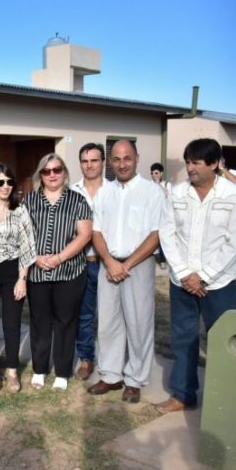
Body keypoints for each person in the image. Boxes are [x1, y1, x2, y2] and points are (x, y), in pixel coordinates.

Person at [156, 138, 236, 413]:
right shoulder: (178, 193)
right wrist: (184, 273)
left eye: (196, 162)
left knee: (224, 342)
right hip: (182, 283)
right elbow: (167, 234)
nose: (189, 168)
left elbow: (233, 242)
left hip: (221, 283)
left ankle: (223, 399)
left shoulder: (231, 194)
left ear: (215, 164)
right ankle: (182, 394)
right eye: (187, 161)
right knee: (183, 338)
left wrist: (204, 276)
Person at [88, 140, 165, 403]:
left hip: (138, 266)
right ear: (111, 161)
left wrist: (126, 264)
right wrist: (109, 261)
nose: (122, 164)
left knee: (139, 324)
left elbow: (156, 235)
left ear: (137, 158)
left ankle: (134, 379)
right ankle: (111, 375)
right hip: (108, 265)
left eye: (127, 158)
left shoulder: (151, 192)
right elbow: (96, 232)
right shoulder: (104, 193)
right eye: (117, 159)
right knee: (108, 323)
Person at [23, 153, 92, 391]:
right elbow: (23, 234)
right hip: (38, 272)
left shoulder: (78, 200)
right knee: (40, 321)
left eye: (57, 170)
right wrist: (36, 258)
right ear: (40, 175)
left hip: (70, 272)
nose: (52, 174)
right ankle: (40, 369)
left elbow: (84, 234)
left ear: (64, 172)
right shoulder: (29, 201)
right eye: (47, 171)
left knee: (65, 321)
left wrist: (60, 257)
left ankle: (62, 371)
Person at [0, 163, 36, 393]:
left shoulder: (20, 210)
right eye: (0, 182)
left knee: (12, 323)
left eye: (9, 182)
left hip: (14, 271)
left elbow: (28, 245)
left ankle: (12, 370)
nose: (5, 186)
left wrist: (22, 278)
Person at [70, 143, 107, 381]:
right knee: (84, 314)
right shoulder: (72, 192)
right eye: (85, 160)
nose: (89, 165)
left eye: (94, 160)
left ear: (103, 162)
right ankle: (86, 359)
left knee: (111, 316)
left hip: (108, 263)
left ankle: (111, 361)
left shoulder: (114, 190)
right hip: (82, 263)